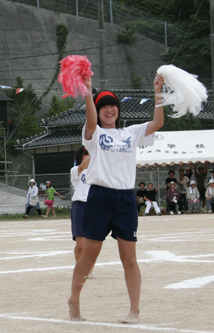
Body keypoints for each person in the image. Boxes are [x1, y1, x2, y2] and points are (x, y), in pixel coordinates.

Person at [68, 75, 164, 324]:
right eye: (103, 106)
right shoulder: (95, 134)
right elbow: (89, 120)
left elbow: (157, 122)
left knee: (129, 258)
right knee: (89, 257)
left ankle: (134, 310)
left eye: (112, 105)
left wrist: (158, 93)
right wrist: (88, 92)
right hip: (99, 197)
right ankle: (74, 300)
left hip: (125, 199)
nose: (108, 110)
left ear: (118, 110)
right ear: (98, 112)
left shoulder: (131, 133)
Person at [70, 145, 94, 276]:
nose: (88, 155)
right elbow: (81, 167)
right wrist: (94, 152)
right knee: (80, 245)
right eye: (86, 153)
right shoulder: (75, 170)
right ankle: (80, 268)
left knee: (92, 243)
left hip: (94, 206)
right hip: (79, 206)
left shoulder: (98, 170)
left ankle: (89, 269)